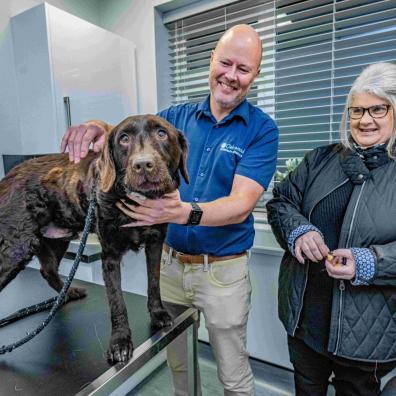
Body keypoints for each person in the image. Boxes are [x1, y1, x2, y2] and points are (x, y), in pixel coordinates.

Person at [61, 24, 279, 396]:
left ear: (255, 76)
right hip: (170, 265)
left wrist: (181, 213)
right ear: (212, 60)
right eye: (225, 62)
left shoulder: (262, 130)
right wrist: (99, 125)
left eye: (243, 69)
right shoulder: (173, 118)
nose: (231, 75)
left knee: (233, 373)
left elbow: (241, 205)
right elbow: (129, 131)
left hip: (222, 271)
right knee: (179, 361)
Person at [266, 62, 396, 396]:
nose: (365, 120)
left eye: (378, 109)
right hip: (306, 320)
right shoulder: (320, 159)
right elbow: (281, 203)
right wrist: (299, 231)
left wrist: (368, 262)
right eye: (357, 110)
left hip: (369, 330)